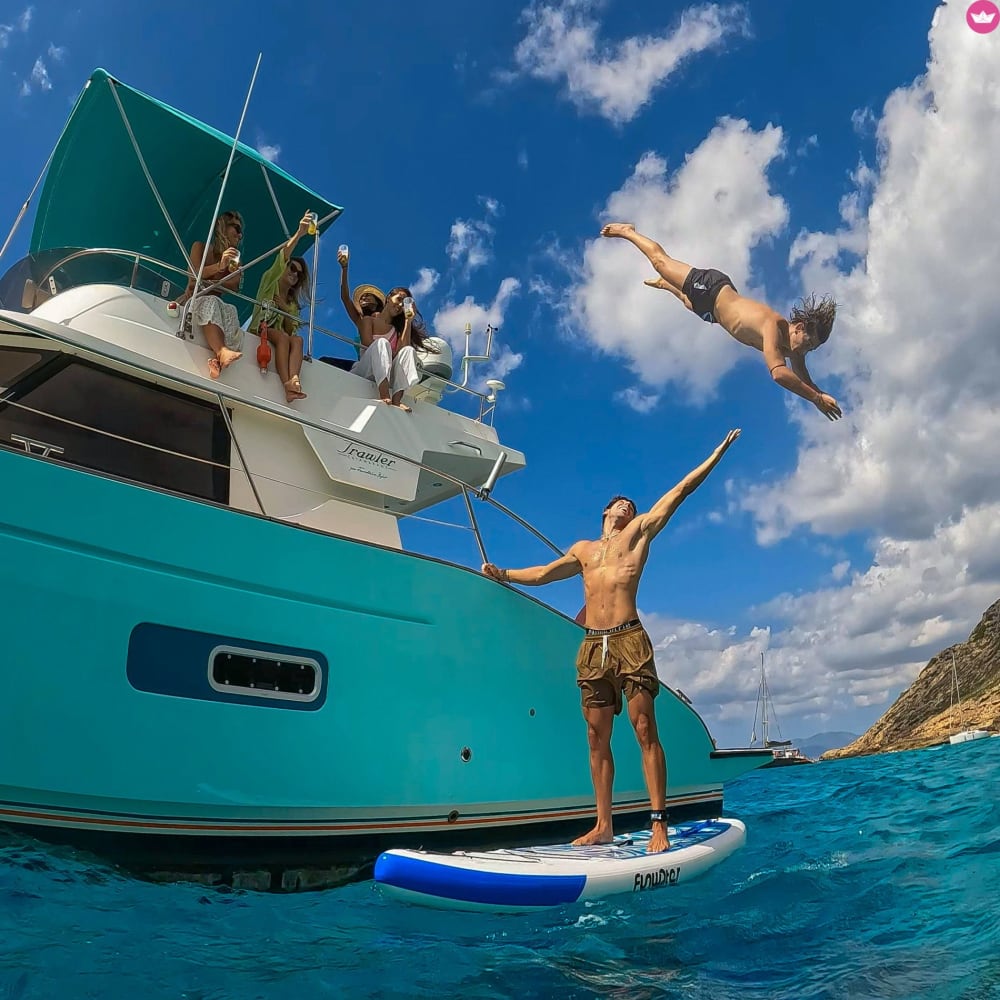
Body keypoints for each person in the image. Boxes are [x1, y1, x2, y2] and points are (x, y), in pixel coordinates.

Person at [482, 429, 742, 853]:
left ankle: (659, 823)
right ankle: (603, 824)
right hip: (592, 645)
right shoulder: (583, 549)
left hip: (628, 639)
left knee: (644, 730)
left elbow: (679, 492)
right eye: (621, 503)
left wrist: (715, 454)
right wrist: (504, 574)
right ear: (606, 510)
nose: (628, 506)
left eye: (632, 505)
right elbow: (546, 574)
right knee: (595, 737)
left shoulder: (639, 533)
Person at [600, 223, 842, 420]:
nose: (806, 351)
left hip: (714, 315)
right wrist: (816, 398)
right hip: (712, 288)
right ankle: (628, 232)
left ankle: (666, 285)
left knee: (687, 302)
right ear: (799, 328)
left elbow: (801, 374)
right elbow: (778, 373)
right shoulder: (773, 325)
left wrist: (821, 394)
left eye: (812, 349)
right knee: (660, 262)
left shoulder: (795, 350)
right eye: (809, 345)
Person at [173, 210, 246, 379]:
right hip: (194, 301)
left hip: (216, 305)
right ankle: (221, 351)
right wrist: (219, 267)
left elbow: (234, 286)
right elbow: (193, 275)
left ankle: (217, 361)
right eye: (236, 228)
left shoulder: (236, 260)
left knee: (231, 310)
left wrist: (206, 281)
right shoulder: (200, 247)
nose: (240, 235)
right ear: (223, 227)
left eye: (241, 231)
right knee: (212, 300)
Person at [249, 211, 313, 403]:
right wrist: (299, 234)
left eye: (299, 275)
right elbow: (282, 257)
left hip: (278, 334)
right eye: (292, 268)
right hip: (261, 329)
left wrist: (284, 309)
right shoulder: (270, 282)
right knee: (284, 338)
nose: (294, 274)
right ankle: (288, 383)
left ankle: (294, 378)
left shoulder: (292, 304)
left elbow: (289, 328)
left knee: (298, 340)